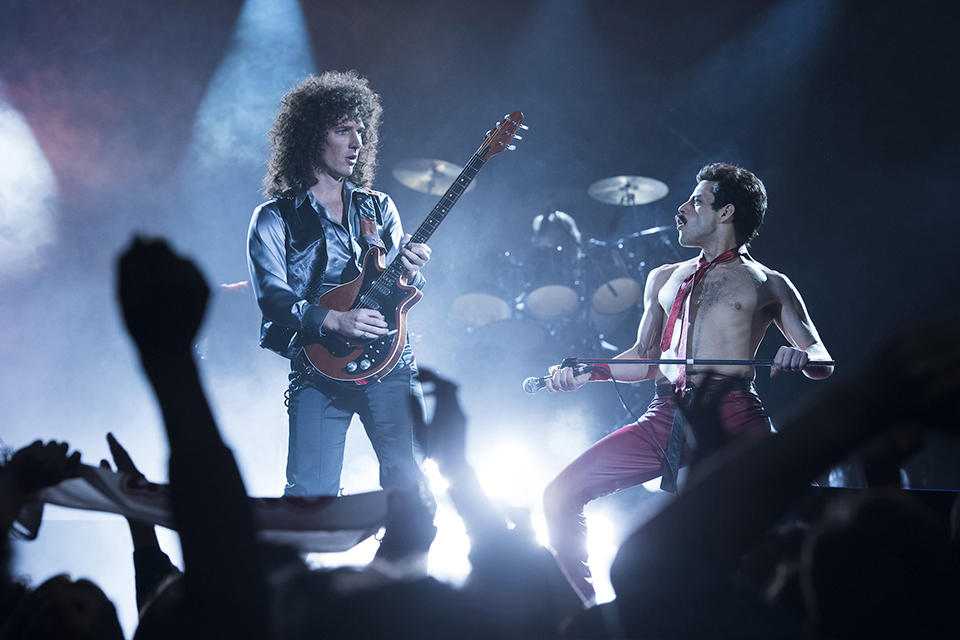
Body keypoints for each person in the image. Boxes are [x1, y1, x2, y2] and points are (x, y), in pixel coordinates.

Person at [541, 162, 834, 603]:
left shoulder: (769, 282)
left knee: (793, 514)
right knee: (559, 495)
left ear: (726, 212)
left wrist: (801, 356)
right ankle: (587, 614)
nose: (681, 209)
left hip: (734, 412)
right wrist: (590, 371)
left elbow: (821, 356)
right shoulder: (662, 277)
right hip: (665, 415)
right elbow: (644, 359)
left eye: (696, 202)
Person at [247, 71, 431, 497]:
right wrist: (333, 321)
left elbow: (401, 286)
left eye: (361, 131)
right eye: (342, 130)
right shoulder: (274, 217)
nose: (357, 142)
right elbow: (272, 297)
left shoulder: (378, 207)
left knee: (412, 491)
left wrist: (412, 267)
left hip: (390, 363)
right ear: (312, 136)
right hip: (318, 369)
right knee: (309, 500)